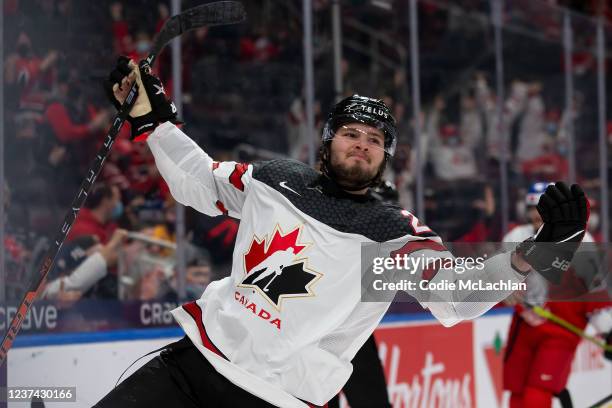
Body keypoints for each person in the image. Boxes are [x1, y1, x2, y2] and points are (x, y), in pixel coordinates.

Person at [95, 57, 588, 408]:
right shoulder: (275, 180)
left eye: (375, 140)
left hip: (275, 397)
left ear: (385, 158)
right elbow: (199, 182)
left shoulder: (394, 235)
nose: (361, 145)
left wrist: (535, 253)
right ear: (329, 140)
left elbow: (454, 297)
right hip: (196, 361)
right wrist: (155, 121)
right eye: (351, 133)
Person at [502, 182, 612, 408]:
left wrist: (608, 331)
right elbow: (499, 279)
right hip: (526, 322)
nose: (536, 215)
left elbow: (594, 291)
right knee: (517, 386)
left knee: (538, 389)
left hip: (561, 327)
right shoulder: (517, 236)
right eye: (532, 209)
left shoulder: (582, 243)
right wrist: (504, 290)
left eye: (542, 209)